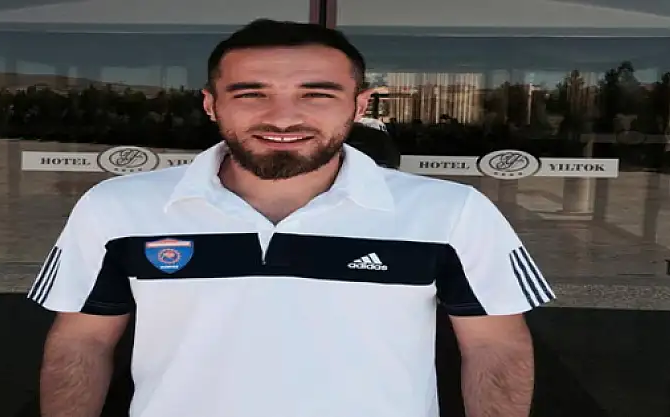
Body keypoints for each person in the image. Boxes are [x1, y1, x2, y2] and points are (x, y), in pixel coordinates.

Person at [28, 18, 555, 417]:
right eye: (251, 93)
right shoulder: (118, 207)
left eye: (316, 94)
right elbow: (83, 341)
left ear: (360, 105)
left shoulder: (450, 212)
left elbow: (495, 346)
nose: (282, 117)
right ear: (211, 104)